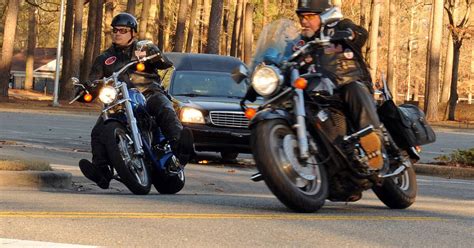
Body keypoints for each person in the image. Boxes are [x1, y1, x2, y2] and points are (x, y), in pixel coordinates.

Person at [77, 13, 193, 189]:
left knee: (163, 107)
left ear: (133, 33)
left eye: (123, 30)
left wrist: (154, 54)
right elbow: (93, 80)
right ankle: (102, 170)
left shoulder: (143, 48)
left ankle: (180, 147)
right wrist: (85, 89)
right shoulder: (104, 58)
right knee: (98, 129)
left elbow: (164, 63)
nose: (118, 34)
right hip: (119, 100)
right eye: (115, 30)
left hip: (147, 92)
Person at [295, 0, 386, 169]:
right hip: (319, 97)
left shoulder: (339, 27)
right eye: (301, 17)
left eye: (309, 16)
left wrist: (350, 34)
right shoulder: (300, 43)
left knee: (351, 88)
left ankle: (372, 138)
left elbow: (361, 34)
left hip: (349, 84)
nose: (304, 21)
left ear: (323, 16)